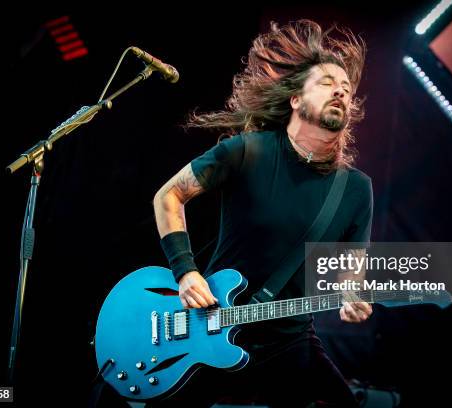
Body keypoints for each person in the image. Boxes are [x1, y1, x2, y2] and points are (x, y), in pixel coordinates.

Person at [152, 19, 373, 407]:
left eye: (346, 89)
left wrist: (354, 296)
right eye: (326, 83)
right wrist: (185, 272)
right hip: (209, 327)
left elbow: (352, 269)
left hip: (289, 341)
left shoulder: (355, 189)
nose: (340, 90)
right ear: (295, 100)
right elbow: (168, 196)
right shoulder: (247, 150)